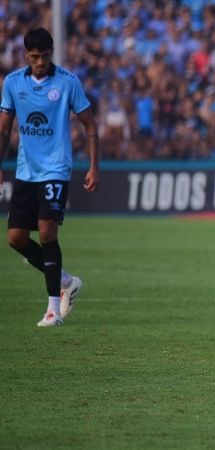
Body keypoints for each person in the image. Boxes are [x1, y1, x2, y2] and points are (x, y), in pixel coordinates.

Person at [0, 27, 100, 327]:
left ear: (51, 53)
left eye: (44, 56)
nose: (40, 61)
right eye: (34, 56)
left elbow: (90, 125)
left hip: (56, 168)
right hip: (26, 170)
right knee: (16, 239)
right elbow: (4, 130)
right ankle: (66, 281)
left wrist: (94, 166)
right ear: (25, 56)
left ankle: (53, 310)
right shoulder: (14, 82)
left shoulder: (68, 83)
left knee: (46, 233)